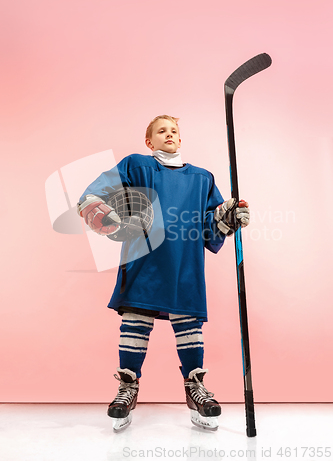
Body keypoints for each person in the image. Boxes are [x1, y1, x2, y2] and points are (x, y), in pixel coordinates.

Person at [77, 115, 250, 432]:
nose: (169, 134)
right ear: (149, 142)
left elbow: (211, 228)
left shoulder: (202, 178)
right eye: (161, 130)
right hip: (144, 262)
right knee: (135, 322)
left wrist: (229, 216)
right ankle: (127, 388)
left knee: (188, 324)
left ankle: (195, 388)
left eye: (174, 131)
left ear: (180, 140)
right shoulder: (137, 165)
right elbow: (95, 195)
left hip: (185, 264)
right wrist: (100, 211)